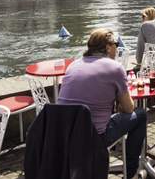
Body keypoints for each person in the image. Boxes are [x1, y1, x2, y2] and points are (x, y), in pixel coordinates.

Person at [58, 29, 146, 179]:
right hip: (95, 137)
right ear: (107, 47)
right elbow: (129, 108)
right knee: (140, 115)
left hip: (65, 134)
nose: (117, 48)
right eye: (116, 44)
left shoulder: (73, 65)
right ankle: (131, 170)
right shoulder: (115, 67)